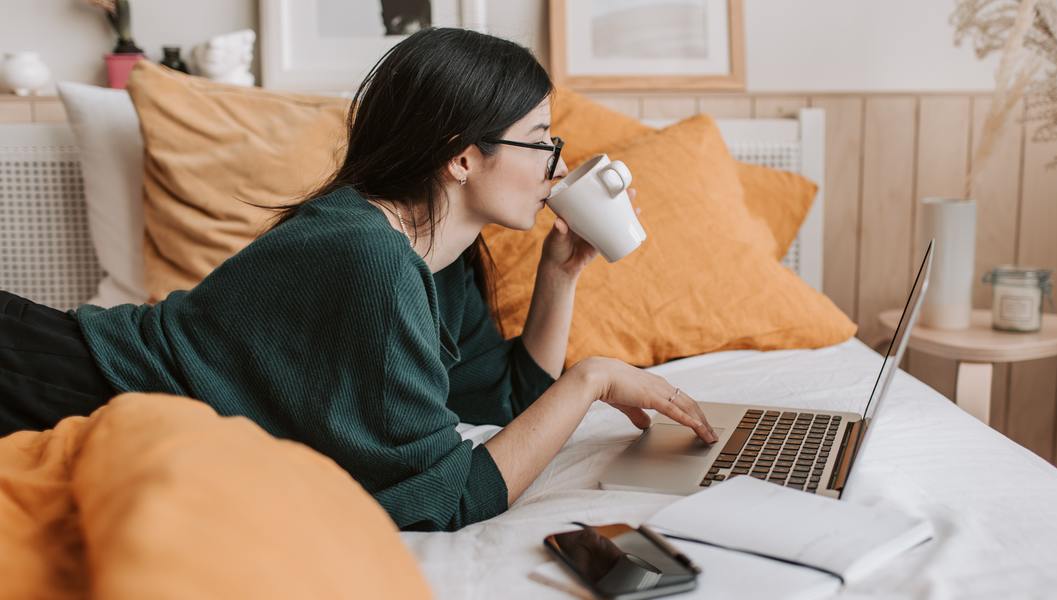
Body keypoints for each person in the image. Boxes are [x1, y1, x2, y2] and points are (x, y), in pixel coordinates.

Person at [0, 27, 716, 531]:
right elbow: (452, 499)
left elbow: (502, 402)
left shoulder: (438, 255)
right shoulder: (369, 259)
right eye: (540, 140)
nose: (557, 165)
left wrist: (560, 275)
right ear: (461, 158)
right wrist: (589, 380)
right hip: (62, 384)